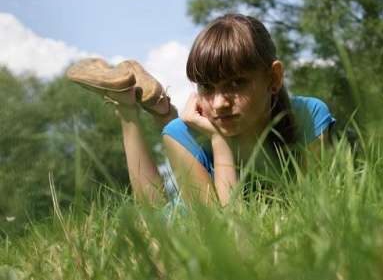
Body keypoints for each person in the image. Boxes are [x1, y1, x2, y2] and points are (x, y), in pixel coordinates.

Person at [67, 13, 335, 208]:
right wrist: (219, 140)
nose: (219, 103)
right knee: (155, 214)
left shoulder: (309, 116)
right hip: (185, 224)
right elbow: (226, 230)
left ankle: (159, 106)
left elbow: (312, 208)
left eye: (237, 82)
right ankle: (126, 105)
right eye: (207, 86)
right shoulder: (180, 134)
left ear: (273, 78)